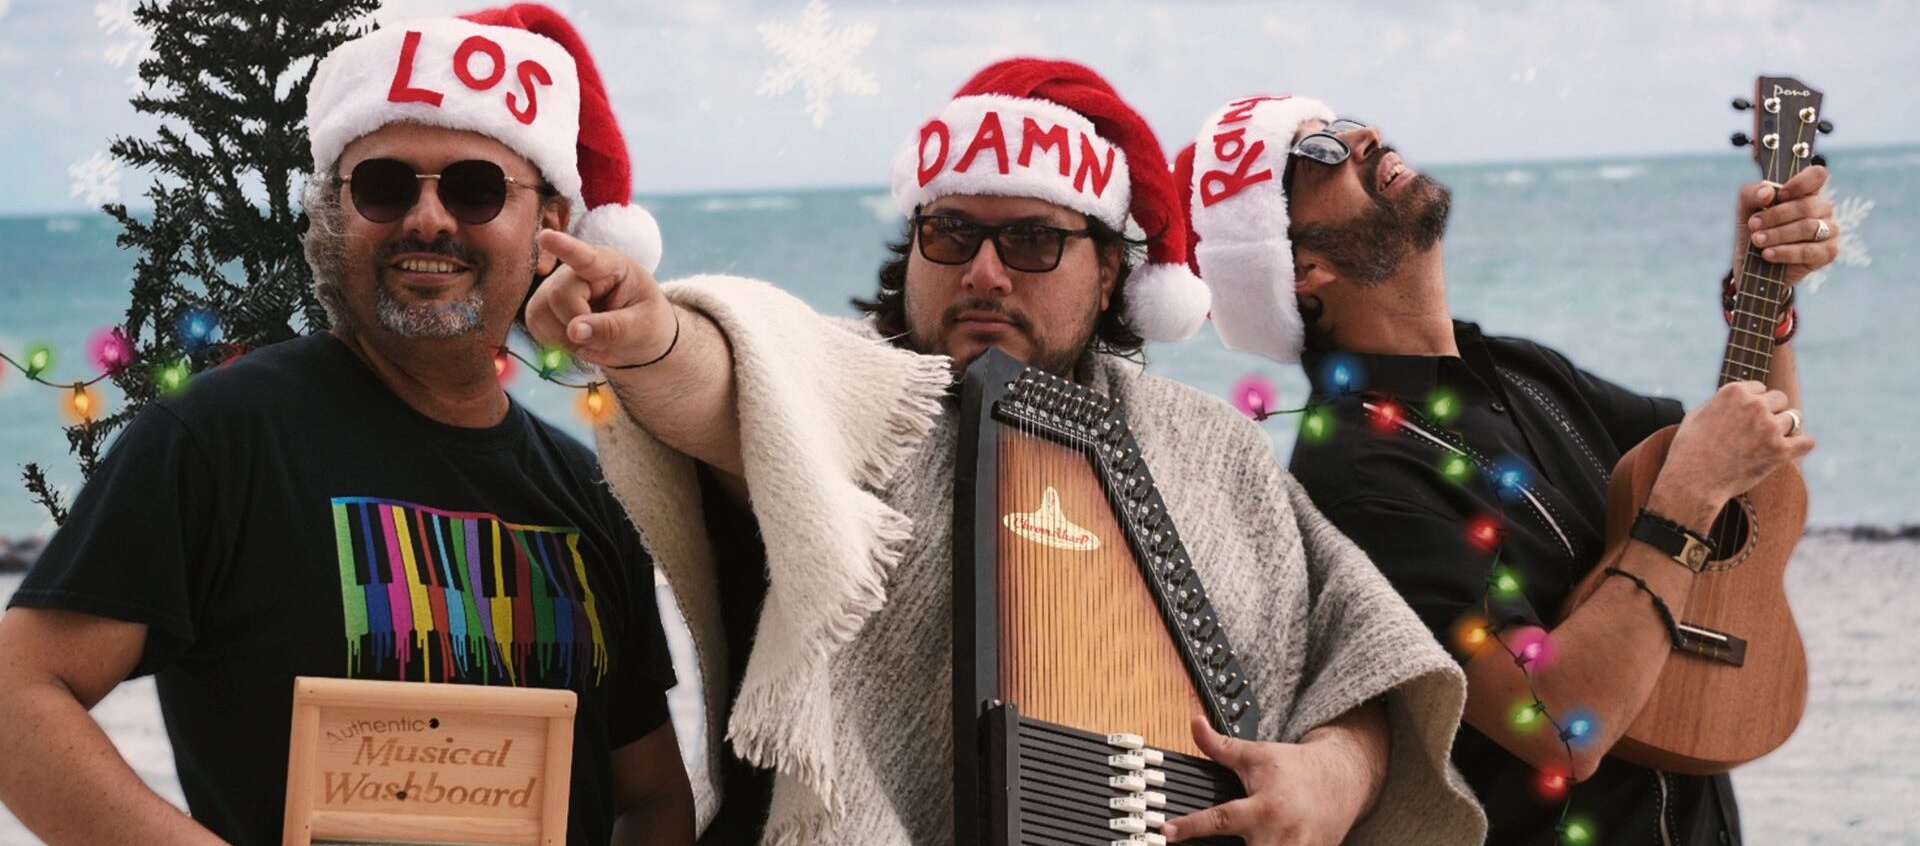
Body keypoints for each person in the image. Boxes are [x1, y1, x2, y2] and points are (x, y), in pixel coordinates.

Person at [522, 59, 1487, 845]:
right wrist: (647, 338)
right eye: (951, 236)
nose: (984, 273)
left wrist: (1332, 773)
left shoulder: (1214, 452)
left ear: (1111, 269)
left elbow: (1362, 654)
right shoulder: (850, 390)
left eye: (1033, 241)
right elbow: (731, 377)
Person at [0, 4, 695, 846]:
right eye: (384, 185)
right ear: (334, 214)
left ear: (549, 225)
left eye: (477, 187)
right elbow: (17, 697)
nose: (428, 219)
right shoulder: (222, 438)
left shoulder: (587, 490)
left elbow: (652, 796)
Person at [1174, 93, 1841, 844]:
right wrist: (1687, 492)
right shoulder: (1359, 479)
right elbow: (1558, 725)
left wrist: (1768, 301)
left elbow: (1748, 478)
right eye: (1319, 154)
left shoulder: (1521, 371)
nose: (1362, 136)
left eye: (1345, 120)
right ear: (1302, 267)